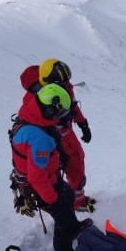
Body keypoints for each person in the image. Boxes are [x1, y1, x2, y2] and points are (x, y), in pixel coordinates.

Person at [9, 81, 91, 251]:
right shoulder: (39, 138)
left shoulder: (32, 114)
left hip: (47, 176)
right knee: (62, 215)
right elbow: (36, 177)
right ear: (49, 111)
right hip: (40, 184)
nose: (63, 117)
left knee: (68, 195)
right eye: (60, 113)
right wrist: (52, 200)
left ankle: (73, 226)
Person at [21, 59, 95, 212]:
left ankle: (76, 198)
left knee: (77, 162)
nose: (66, 86)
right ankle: (73, 202)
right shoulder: (38, 98)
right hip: (51, 139)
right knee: (65, 169)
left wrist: (83, 124)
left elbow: (73, 106)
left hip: (65, 134)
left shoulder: (62, 87)